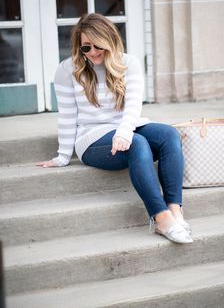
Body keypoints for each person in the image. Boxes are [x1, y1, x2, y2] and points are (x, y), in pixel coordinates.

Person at [37, 13, 193, 244]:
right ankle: (160, 218)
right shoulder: (67, 70)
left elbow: (133, 106)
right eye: (85, 48)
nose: (92, 52)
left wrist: (123, 131)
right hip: (91, 139)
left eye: (97, 45)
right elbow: (68, 115)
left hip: (126, 128)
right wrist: (62, 156)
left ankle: (175, 211)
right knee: (137, 143)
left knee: (168, 134)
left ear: (109, 39)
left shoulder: (128, 63)